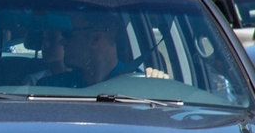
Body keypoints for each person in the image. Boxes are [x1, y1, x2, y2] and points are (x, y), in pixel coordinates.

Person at [40, 11, 169, 87]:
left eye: (69, 34)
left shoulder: (141, 85)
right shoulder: (50, 86)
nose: (62, 41)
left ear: (96, 38)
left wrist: (160, 88)